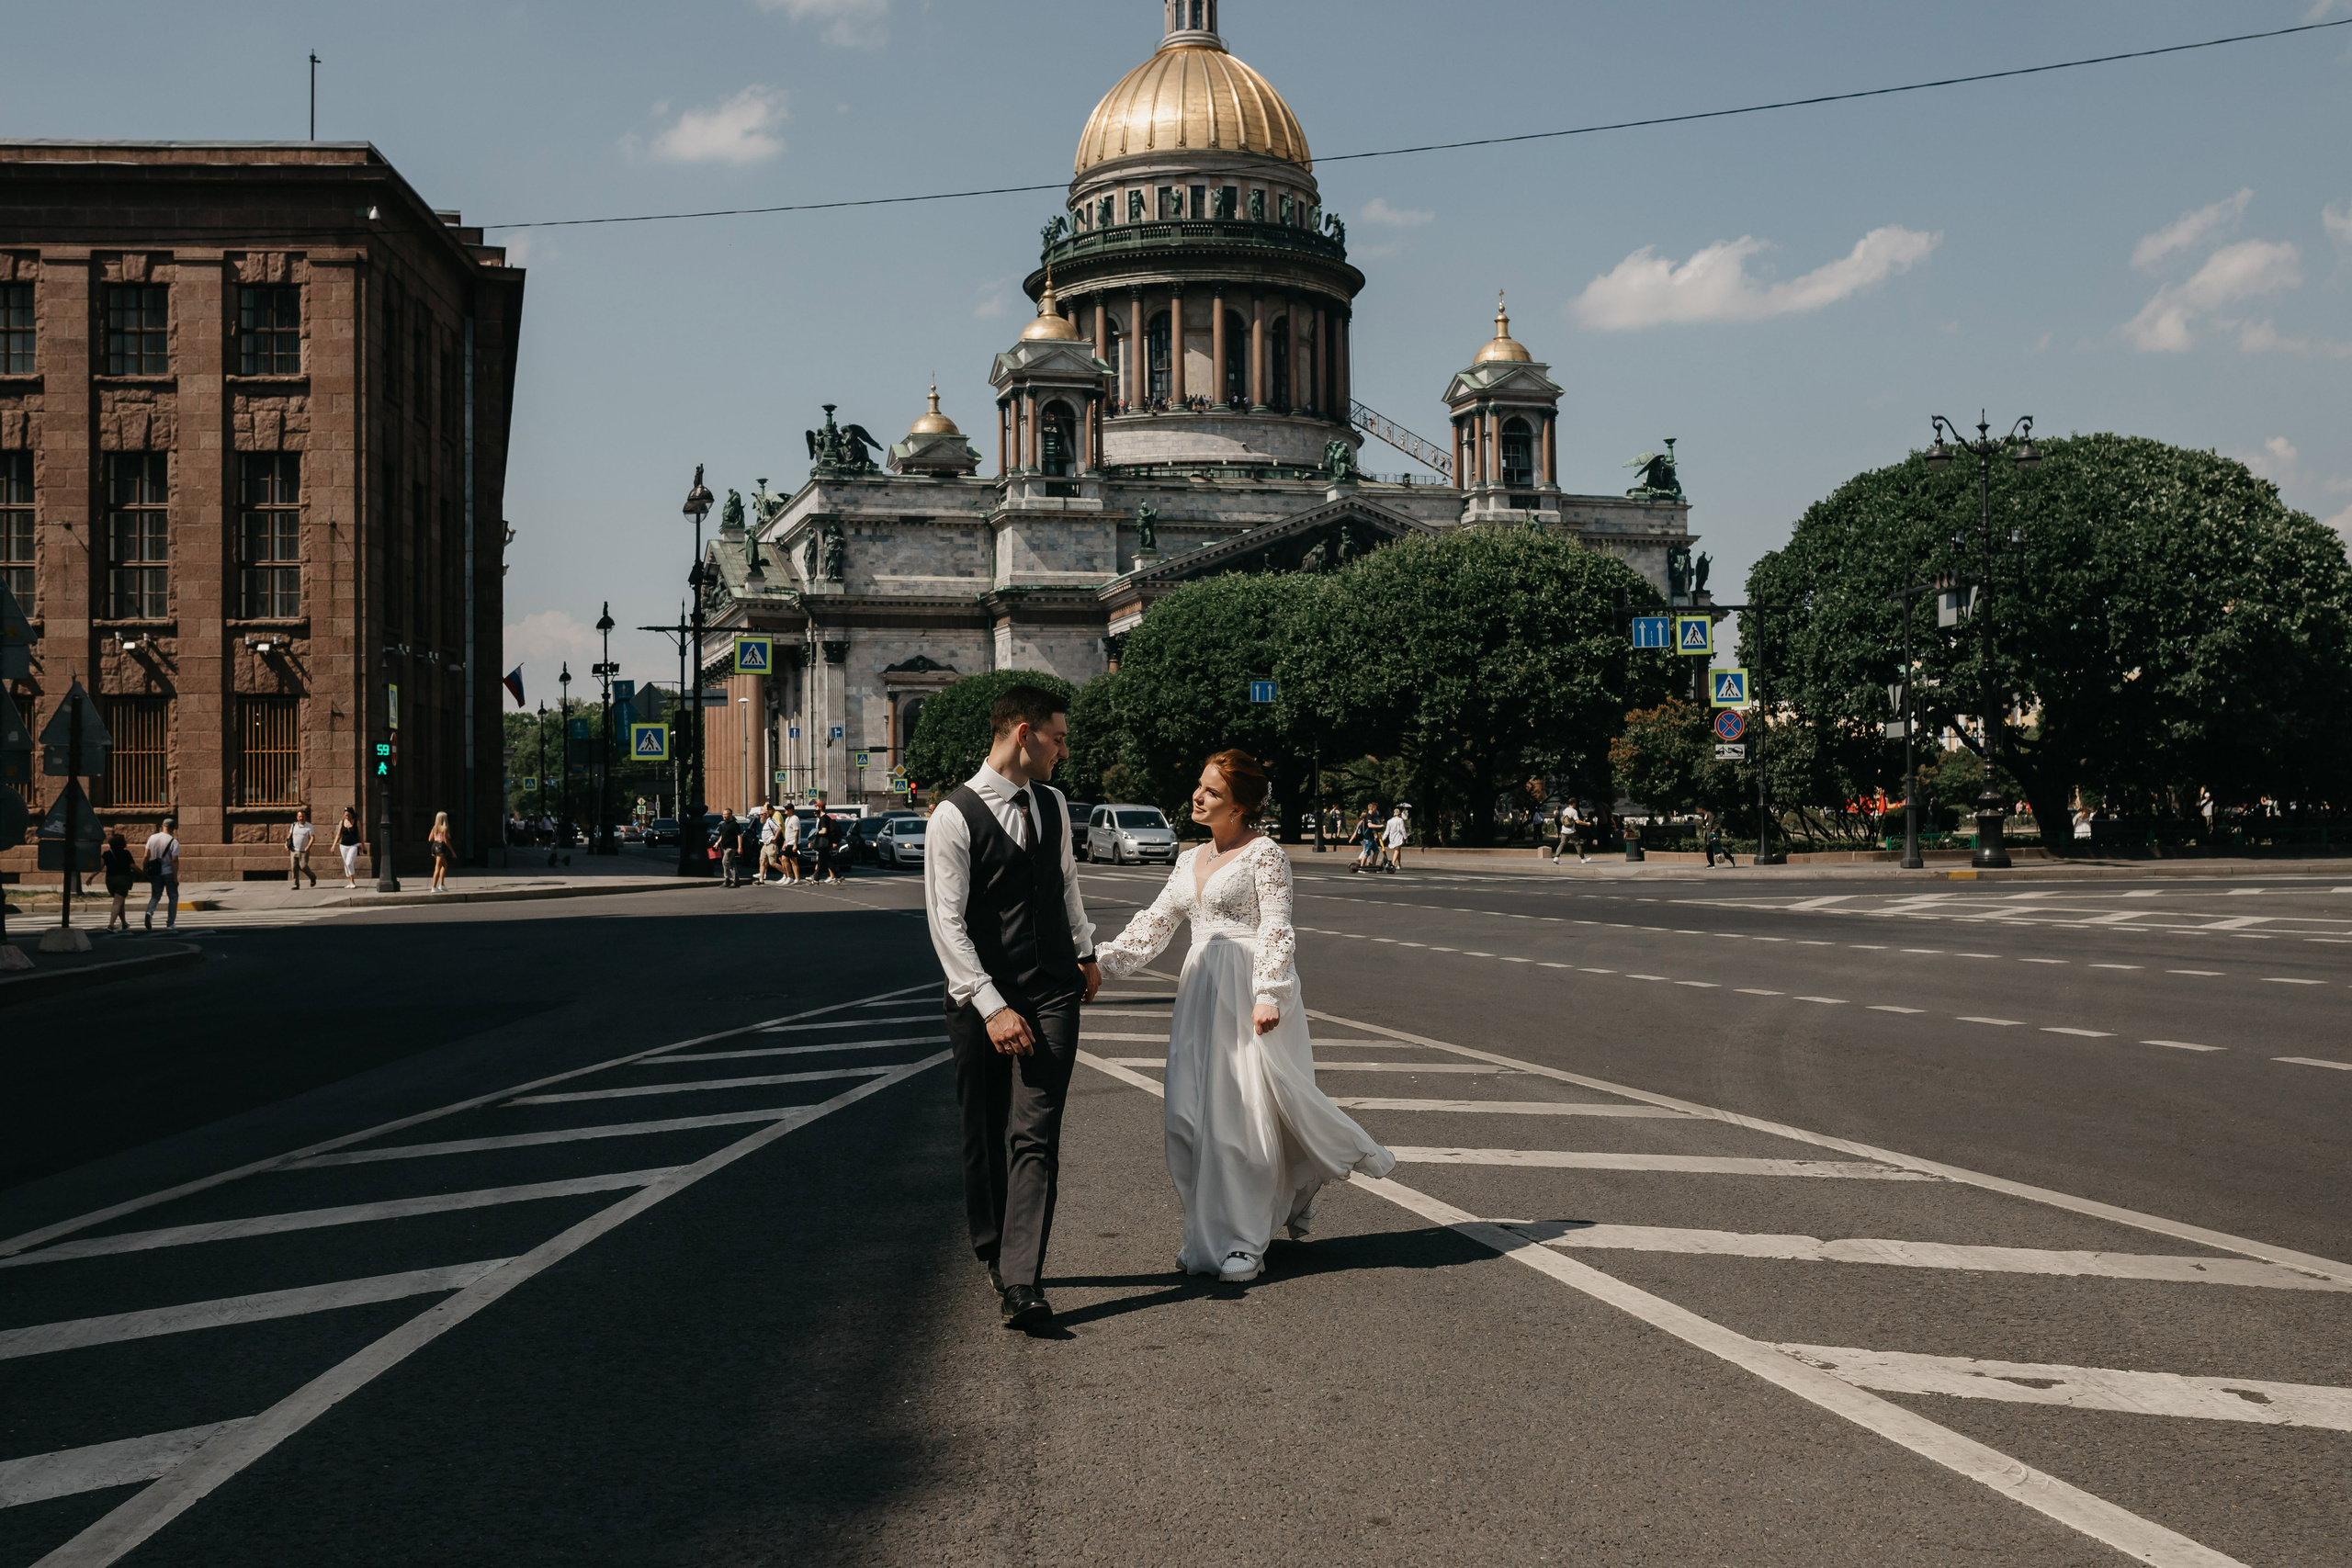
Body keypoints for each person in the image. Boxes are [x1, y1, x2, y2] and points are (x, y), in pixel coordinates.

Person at [1095, 749, 1396, 1284]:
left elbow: (1277, 927)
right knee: (1186, 1118)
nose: (1198, 796)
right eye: (1200, 786)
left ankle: (1244, 1242)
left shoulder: (1266, 855)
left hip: (1248, 995)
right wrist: (1099, 966)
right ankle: (1203, 1234)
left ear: (1239, 807)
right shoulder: (1189, 859)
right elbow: (1158, 922)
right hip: (1198, 995)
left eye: (1212, 792)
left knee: (1241, 1121)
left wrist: (1269, 994)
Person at [922, 683, 1102, 1329]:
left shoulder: (1051, 803)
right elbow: (948, 926)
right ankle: (993, 1241)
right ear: (1023, 733)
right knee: (985, 1122)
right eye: (1058, 736)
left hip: (1052, 986)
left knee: (1036, 1130)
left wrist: (1085, 952)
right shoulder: (953, 816)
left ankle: (1021, 1277)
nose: (1064, 749)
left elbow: (1065, 884)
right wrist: (993, 1006)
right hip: (980, 995)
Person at [141, 818, 181, 932]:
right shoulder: (174, 842)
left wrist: (145, 870)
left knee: (155, 896)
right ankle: (170, 923)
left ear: (162, 826)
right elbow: (174, 860)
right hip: (168, 872)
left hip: (155, 873)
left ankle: (149, 912)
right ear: (173, 829)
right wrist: (175, 877)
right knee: (173, 897)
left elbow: (146, 856)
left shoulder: (152, 838)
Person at [100, 831, 138, 932]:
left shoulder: (107, 854)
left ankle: (124, 923)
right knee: (117, 902)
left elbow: (100, 866)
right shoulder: (126, 853)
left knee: (120, 900)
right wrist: (142, 873)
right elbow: (132, 866)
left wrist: (90, 877)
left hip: (110, 880)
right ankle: (111, 925)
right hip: (123, 879)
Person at [288, 808, 318, 889]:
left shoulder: (309, 826)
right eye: (300, 816)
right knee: (294, 867)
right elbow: (289, 835)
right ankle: (296, 884)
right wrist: (286, 844)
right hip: (294, 850)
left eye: (303, 816)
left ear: (305, 817)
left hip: (304, 851)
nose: (301, 818)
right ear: (297, 817)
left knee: (303, 866)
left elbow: (312, 837)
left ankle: (312, 877)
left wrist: (308, 846)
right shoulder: (294, 825)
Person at [427, 810, 456, 891]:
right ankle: (434, 887)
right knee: (438, 867)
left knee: (444, 865)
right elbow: (446, 841)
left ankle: (442, 885)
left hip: (434, 846)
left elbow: (430, 839)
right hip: (441, 847)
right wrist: (452, 851)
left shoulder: (434, 827)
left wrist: (437, 836)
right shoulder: (445, 828)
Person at [335, 807, 363, 886]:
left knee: (349, 862)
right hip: (343, 846)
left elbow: (360, 834)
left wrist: (363, 845)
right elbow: (339, 834)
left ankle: (352, 881)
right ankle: (349, 881)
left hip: (354, 845)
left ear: (352, 814)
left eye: (348, 815)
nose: (347, 817)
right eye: (346, 815)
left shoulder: (356, 822)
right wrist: (334, 845)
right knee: (345, 864)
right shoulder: (342, 822)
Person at [1555, 800, 1589, 865]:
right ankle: (1583, 859)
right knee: (1577, 844)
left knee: (1562, 844)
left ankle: (1556, 857)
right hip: (1571, 831)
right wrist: (1586, 823)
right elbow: (1577, 821)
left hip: (1564, 830)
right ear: (1573, 803)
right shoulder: (1574, 811)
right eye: (1575, 803)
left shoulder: (1565, 810)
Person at [717, 809, 743, 886]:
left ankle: (727, 879)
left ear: (731, 814)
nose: (724, 816)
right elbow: (722, 835)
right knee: (731, 864)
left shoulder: (734, 824)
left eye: (726, 814)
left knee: (725, 862)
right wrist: (717, 843)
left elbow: (739, 835)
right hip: (724, 847)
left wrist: (740, 847)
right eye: (723, 814)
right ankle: (736, 881)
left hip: (731, 847)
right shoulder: (723, 824)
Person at [1351, 803, 1380, 873]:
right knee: (1366, 853)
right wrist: (1380, 826)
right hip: (1367, 838)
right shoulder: (1369, 816)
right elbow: (1370, 825)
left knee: (1376, 851)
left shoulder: (1371, 817)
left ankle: (1373, 867)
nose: (1376, 811)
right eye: (1375, 809)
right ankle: (1361, 867)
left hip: (1371, 838)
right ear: (1372, 808)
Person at [779, 804, 802, 885]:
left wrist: (795, 844)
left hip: (793, 843)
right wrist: (784, 843)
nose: (785, 810)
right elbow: (787, 833)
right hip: (788, 842)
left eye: (786, 809)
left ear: (791, 810)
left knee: (784, 858)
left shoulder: (795, 819)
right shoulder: (787, 819)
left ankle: (790, 876)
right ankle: (797, 878)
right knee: (793, 861)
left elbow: (796, 831)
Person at [1382, 805, 1408, 873]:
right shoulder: (1400, 820)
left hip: (1392, 836)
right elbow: (1403, 829)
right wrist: (1406, 837)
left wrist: (1383, 838)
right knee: (1397, 850)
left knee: (1398, 850)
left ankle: (1399, 864)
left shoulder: (1389, 821)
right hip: (1398, 836)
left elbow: (1387, 831)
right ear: (1399, 814)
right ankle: (1393, 864)